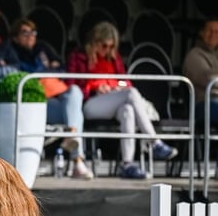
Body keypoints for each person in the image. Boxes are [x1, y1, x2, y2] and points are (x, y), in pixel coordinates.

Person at [66, 21, 178, 179]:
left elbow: (126, 82)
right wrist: (94, 86)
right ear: (94, 42)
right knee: (131, 94)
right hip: (91, 103)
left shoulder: (114, 59)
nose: (107, 50)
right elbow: (71, 87)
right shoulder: (78, 56)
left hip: (113, 99)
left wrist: (114, 86)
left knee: (128, 110)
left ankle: (128, 164)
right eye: (104, 46)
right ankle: (154, 142)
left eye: (111, 47)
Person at [10, 18, 93, 179]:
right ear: (15, 37)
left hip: (57, 98)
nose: (30, 36)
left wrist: (46, 72)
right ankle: (77, 160)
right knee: (75, 116)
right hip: (38, 104)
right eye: (25, 32)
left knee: (75, 91)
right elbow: (20, 72)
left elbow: (61, 68)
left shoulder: (43, 47)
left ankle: (72, 137)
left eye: (33, 32)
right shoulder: (12, 51)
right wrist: (46, 70)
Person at [182, 17, 218, 126]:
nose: (213, 34)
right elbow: (209, 79)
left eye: (217, 31)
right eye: (209, 30)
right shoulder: (194, 55)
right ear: (202, 33)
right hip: (206, 103)